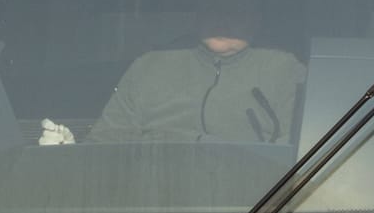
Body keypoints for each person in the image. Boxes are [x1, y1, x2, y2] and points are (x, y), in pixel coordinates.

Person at [83, 9, 306, 144]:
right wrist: (182, 142)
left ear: (256, 17)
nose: (222, 19)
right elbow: (105, 143)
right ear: (197, 15)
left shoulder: (286, 69)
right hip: (148, 201)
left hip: (258, 211)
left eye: (235, 9)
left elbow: (298, 156)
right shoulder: (150, 66)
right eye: (213, 8)